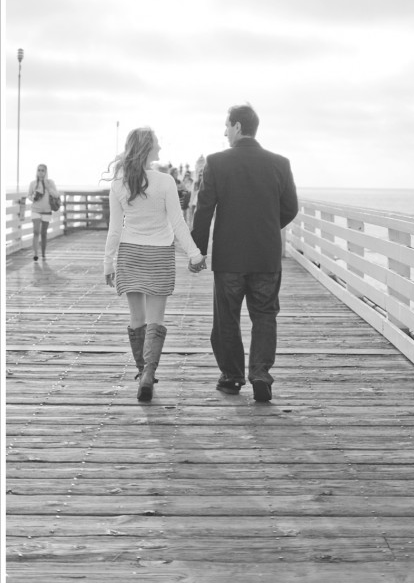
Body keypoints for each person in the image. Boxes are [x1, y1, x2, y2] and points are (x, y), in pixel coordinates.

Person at [191, 103, 298, 402]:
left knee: (227, 318)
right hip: (265, 255)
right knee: (265, 315)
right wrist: (265, 228)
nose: (224, 132)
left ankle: (232, 376)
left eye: (226, 125)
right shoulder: (280, 163)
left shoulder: (216, 162)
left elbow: (204, 210)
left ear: (238, 127)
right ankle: (261, 374)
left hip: (230, 257)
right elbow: (291, 207)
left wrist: (197, 251)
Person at [103, 127, 207, 402]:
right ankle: (148, 372)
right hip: (159, 254)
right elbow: (178, 222)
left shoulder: (119, 183)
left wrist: (107, 263)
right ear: (147, 148)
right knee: (155, 320)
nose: (160, 149)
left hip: (129, 254)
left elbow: (114, 228)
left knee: (137, 320)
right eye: (157, 144)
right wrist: (194, 254)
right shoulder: (165, 181)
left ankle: (142, 374)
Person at [27, 164, 59, 261]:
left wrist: (48, 187)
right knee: (36, 231)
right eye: (39, 170)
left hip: (47, 211)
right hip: (35, 210)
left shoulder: (50, 182)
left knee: (43, 233)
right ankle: (35, 254)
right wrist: (33, 198)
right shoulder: (33, 183)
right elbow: (29, 195)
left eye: (43, 170)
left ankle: (43, 254)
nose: (40, 172)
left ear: (46, 172)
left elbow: (56, 195)